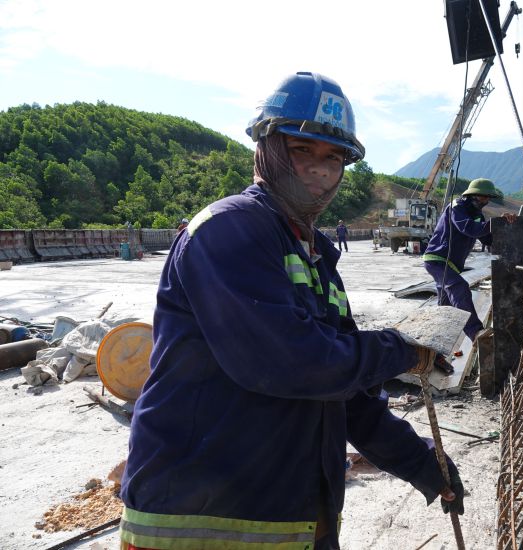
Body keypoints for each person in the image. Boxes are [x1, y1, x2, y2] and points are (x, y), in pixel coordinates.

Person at [119, 72, 463, 550]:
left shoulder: (314, 256)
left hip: (290, 517)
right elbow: (294, 364)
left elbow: (341, 390)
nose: (319, 169)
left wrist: (420, 463)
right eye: (302, 150)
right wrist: (399, 350)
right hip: (200, 520)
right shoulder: (229, 232)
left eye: (333, 157)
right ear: (267, 148)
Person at [423, 178, 516, 341]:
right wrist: (493, 223)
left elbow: (487, 238)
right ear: (472, 195)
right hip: (438, 259)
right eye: (483, 197)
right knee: (459, 288)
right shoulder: (456, 207)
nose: (486, 201)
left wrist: (506, 231)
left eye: (488, 198)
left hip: (451, 264)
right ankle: (476, 333)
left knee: (445, 309)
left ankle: (435, 352)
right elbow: (467, 228)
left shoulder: (477, 215)